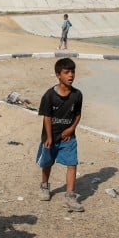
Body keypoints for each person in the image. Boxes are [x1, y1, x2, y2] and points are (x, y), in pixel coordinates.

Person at [37, 57, 85, 212]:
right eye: (66, 72)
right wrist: (49, 137)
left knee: (72, 164)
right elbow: (47, 117)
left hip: (69, 137)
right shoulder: (49, 95)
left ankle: (70, 196)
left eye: (72, 72)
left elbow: (77, 114)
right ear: (58, 75)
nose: (70, 75)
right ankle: (45, 186)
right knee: (47, 163)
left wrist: (72, 129)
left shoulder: (77, 95)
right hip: (51, 137)